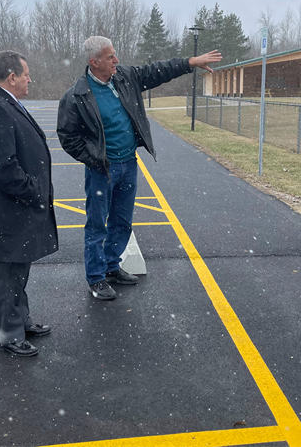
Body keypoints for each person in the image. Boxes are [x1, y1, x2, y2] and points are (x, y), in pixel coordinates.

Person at [57, 36, 221, 301]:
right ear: (94, 61)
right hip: (102, 170)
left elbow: (158, 71)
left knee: (122, 221)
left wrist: (190, 62)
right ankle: (96, 278)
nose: (116, 60)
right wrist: (95, 159)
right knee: (97, 225)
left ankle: (112, 266)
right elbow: (68, 137)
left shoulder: (124, 77)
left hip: (129, 164)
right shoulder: (76, 95)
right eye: (110, 57)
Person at [0, 51, 58, 357]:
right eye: (26, 74)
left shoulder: (2, 102)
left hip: (16, 210)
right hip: (9, 212)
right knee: (9, 274)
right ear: (11, 77)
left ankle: (20, 321)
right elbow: (3, 168)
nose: (29, 79)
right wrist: (34, 193)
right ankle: (8, 334)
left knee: (18, 272)